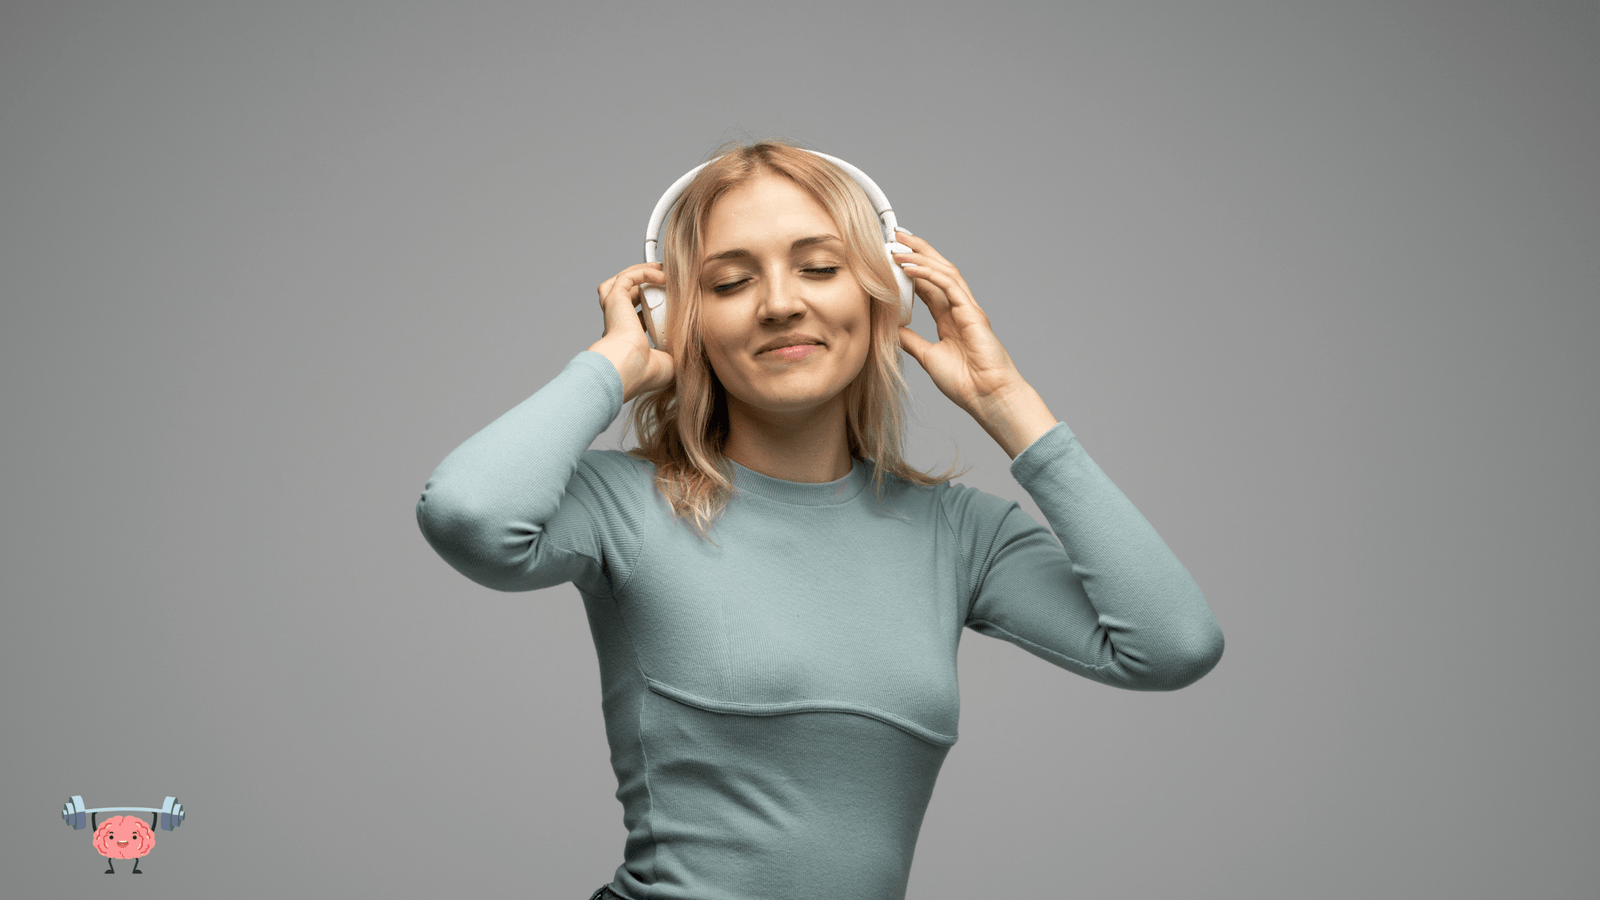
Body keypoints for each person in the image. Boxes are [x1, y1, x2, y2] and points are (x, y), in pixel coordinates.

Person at [416, 141, 1224, 900]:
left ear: (885, 295)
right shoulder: (621, 502)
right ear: (679, 318)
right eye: (730, 283)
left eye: (820, 267)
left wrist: (1006, 403)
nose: (779, 304)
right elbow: (466, 514)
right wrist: (610, 367)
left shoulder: (961, 536)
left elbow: (1173, 645)